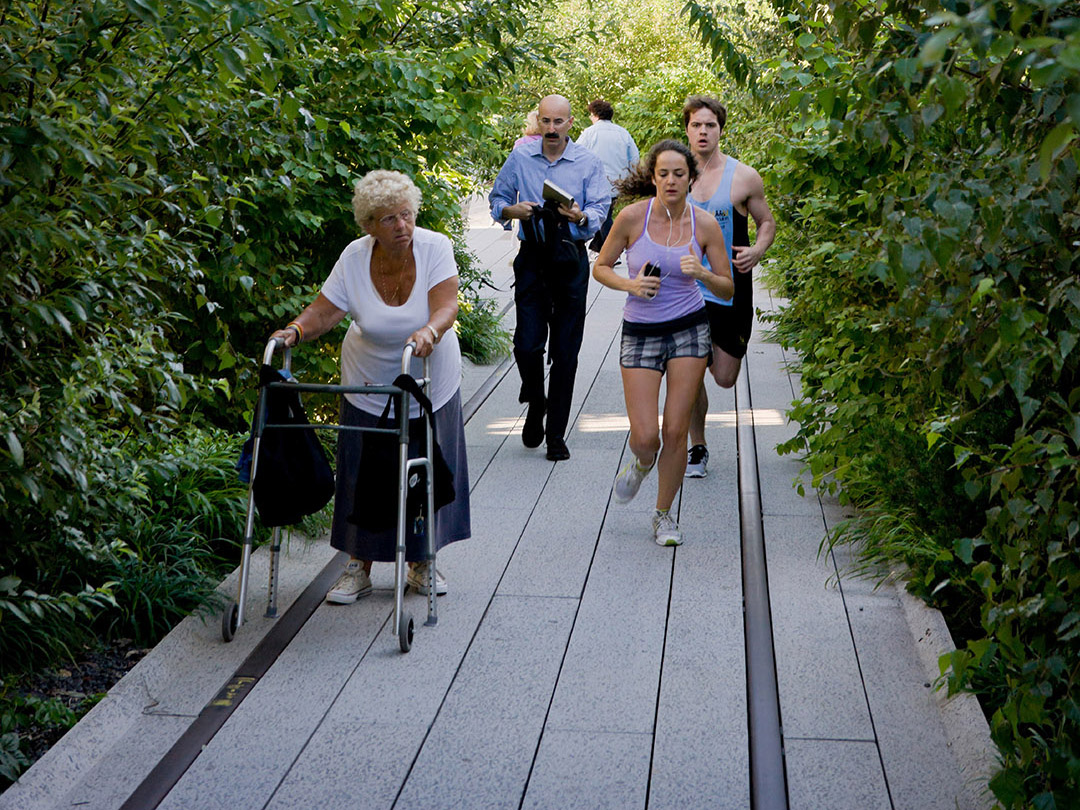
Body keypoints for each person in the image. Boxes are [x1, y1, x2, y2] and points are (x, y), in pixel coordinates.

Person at [269, 170, 471, 604]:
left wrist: (430, 331)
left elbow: (447, 304)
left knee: (426, 467)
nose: (401, 226)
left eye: (406, 215)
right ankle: (357, 565)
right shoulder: (354, 257)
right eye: (388, 219)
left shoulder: (435, 247)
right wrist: (294, 331)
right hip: (367, 378)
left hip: (428, 376)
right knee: (361, 471)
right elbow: (325, 312)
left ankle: (423, 563)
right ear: (368, 226)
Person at [592, 139, 733, 546]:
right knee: (646, 436)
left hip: (689, 328)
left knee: (675, 430)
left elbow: (727, 289)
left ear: (691, 177)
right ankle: (640, 462)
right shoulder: (632, 218)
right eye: (663, 173)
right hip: (640, 330)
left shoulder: (704, 224)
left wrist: (704, 274)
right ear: (652, 177)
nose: (671, 181)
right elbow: (600, 268)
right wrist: (630, 284)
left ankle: (663, 515)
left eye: (679, 173)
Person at [489, 94, 610, 461]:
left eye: (559, 122)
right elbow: (497, 199)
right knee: (526, 344)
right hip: (533, 257)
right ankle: (536, 401)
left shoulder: (588, 162)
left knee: (565, 352)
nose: (552, 128)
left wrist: (580, 217)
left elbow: (601, 207)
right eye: (546, 121)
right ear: (537, 123)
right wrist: (513, 209)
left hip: (570, 258)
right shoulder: (522, 157)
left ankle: (556, 434)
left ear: (571, 124)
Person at [682, 95, 776, 478]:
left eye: (710, 125)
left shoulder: (743, 177)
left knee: (723, 377)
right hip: (684, 289)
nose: (703, 132)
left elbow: (766, 222)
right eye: (696, 125)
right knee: (687, 373)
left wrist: (756, 250)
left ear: (721, 129)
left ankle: (703, 360)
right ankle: (697, 447)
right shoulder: (674, 172)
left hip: (728, 288)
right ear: (686, 128)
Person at [576, 99, 640, 253]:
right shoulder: (623, 133)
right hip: (618, 182)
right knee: (605, 214)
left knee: (604, 217)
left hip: (597, 183)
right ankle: (598, 248)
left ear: (595, 114)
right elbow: (635, 158)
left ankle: (612, 251)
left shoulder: (590, 133)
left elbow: (576, 154)